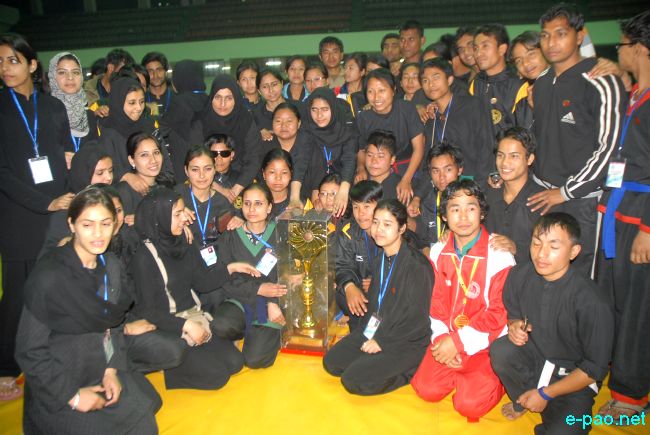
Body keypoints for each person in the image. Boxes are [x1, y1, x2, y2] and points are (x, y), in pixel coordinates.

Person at [15, 187, 162, 433]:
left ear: (115, 224)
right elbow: (29, 351)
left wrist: (111, 369)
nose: (98, 234)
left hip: (99, 367)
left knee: (146, 421)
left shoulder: (111, 266)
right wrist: (72, 396)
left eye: (105, 224)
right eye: (87, 225)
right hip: (61, 380)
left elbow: (114, 325)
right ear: (71, 225)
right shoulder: (49, 276)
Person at [490, 213, 614, 434]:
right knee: (502, 350)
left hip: (572, 378)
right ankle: (523, 397)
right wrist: (514, 325)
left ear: (574, 252)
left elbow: (593, 369)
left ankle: (544, 401)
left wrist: (546, 394)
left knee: (567, 430)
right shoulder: (520, 275)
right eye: (536, 243)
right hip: (537, 359)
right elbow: (514, 313)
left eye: (553, 246)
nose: (541, 254)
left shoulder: (592, 301)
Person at [0, 33, 75, 399]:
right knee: (18, 293)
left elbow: (65, 156)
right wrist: (45, 203)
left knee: (55, 286)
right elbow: (2, 173)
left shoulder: (52, 107)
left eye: (12, 60)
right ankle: (5, 367)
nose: (5, 68)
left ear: (31, 64)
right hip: (18, 214)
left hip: (57, 210)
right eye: (0, 62)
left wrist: (65, 203)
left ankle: (52, 353)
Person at [529, 3, 626, 278]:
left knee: (580, 279)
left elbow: (609, 149)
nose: (551, 43)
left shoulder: (601, 80)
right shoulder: (542, 82)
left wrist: (565, 192)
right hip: (542, 194)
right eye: (545, 36)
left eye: (561, 34)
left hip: (582, 200)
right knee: (544, 272)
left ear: (579, 36)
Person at [129, 186, 256, 389]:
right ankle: (169, 367)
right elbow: (149, 312)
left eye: (183, 211)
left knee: (235, 362)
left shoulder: (183, 241)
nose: (184, 219)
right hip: (168, 326)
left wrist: (230, 268)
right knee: (217, 377)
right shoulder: (144, 256)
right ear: (158, 218)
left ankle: (190, 356)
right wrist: (185, 326)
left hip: (192, 315)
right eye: (177, 214)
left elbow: (202, 281)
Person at [411, 179, 515, 421]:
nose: (464, 216)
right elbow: (435, 304)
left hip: (485, 345)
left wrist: (458, 343)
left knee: (468, 405)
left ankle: (499, 380)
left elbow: (498, 315)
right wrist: (442, 340)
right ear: (444, 216)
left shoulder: (500, 256)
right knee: (426, 389)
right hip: (447, 337)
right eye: (455, 209)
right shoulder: (438, 251)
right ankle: (456, 370)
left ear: (482, 213)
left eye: (471, 207)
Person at [597, 10, 650, 420]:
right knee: (614, 300)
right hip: (617, 211)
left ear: (641, 49)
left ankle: (632, 395)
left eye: (623, 45)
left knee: (637, 308)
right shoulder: (635, 95)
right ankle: (618, 365)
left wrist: (648, 229)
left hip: (640, 218)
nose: (619, 52)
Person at [324, 199, 433, 395]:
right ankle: (372, 360)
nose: (379, 229)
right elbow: (377, 304)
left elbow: (416, 320)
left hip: (405, 340)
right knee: (332, 362)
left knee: (352, 380)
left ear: (402, 228)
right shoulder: (380, 259)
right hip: (376, 329)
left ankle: (410, 371)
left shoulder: (417, 266)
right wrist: (366, 333)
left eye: (387, 224)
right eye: (375, 222)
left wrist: (381, 342)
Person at [212, 183, 287, 369]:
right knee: (221, 325)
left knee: (254, 359)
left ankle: (263, 331)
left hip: (267, 305)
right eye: (247, 203)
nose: (252, 209)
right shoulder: (230, 235)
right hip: (240, 299)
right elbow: (224, 277)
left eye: (258, 204)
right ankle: (246, 330)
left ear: (269, 207)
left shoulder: (281, 233)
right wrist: (258, 288)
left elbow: (288, 274)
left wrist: (274, 303)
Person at [355, 68, 425, 205]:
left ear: (393, 90)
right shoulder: (363, 118)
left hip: (408, 169)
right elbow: (361, 150)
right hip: (376, 170)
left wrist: (406, 180)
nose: (376, 97)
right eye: (371, 91)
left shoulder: (406, 109)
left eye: (382, 90)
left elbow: (419, 148)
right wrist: (361, 168)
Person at [190, 74, 263, 204]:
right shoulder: (200, 121)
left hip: (242, 181)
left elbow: (254, 158)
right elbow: (195, 160)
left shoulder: (246, 121)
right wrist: (218, 188)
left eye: (228, 98)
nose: (222, 104)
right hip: (205, 181)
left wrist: (235, 189)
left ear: (236, 99)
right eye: (218, 97)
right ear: (211, 98)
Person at [419, 58, 493, 182]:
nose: (430, 84)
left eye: (436, 78)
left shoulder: (472, 106)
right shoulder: (429, 117)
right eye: (425, 80)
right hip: (440, 183)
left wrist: (479, 184)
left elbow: (486, 147)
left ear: (449, 80)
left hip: (471, 181)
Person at [39, 144, 114, 259]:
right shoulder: (67, 212)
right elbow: (46, 261)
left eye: (110, 171)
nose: (108, 177)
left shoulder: (114, 200)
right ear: (82, 174)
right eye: (100, 173)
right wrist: (66, 247)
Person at [98, 77, 174, 190]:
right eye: (132, 103)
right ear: (118, 103)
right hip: (123, 194)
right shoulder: (107, 133)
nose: (138, 108)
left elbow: (166, 165)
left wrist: (160, 189)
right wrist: (124, 176)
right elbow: (102, 171)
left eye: (142, 102)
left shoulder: (150, 127)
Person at [485, 127, 544, 264]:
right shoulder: (489, 194)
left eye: (514, 156)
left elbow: (551, 251)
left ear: (530, 159)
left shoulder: (542, 202)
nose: (505, 163)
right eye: (500, 155)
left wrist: (516, 248)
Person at [470, 24, 531, 141]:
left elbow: (525, 136)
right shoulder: (476, 84)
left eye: (485, 46)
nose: (478, 54)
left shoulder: (519, 86)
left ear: (502, 49)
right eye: (476, 48)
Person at [335, 180, 383, 332]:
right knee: (340, 290)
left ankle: (368, 332)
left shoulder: (391, 230)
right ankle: (360, 331)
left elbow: (401, 268)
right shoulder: (348, 231)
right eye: (356, 207)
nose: (361, 213)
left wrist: (379, 281)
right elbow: (342, 265)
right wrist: (349, 286)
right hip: (361, 292)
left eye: (367, 207)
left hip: (386, 294)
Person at [304, 87, 356, 216]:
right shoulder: (308, 129)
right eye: (314, 110)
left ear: (333, 108)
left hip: (345, 183)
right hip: (318, 188)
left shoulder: (347, 128)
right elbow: (311, 164)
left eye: (325, 109)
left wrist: (343, 191)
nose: (319, 115)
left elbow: (349, 159)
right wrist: (317, 195)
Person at [174, 145, 233, 254]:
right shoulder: (175, 195)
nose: (202, 175)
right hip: (181, 258)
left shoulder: (222, 203)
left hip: (214, 260)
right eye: (195, 169)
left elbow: (226, 242)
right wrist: (175, 214)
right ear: (186, 171)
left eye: (208, 169)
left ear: (214, 170)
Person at [159, 59, 208, 182]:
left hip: (184, 165)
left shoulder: (178, 102)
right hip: (206, 165)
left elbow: (161, 130)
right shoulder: (210, 100)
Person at [409, 142, 464, 251]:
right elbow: (422, 239)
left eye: (448, 169)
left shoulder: (471, 200)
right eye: (436, 171)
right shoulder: (426, 203)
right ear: (429, 173)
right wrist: (425, 249)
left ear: (460, 169)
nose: (442, 177)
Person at [47, 52, 99, 152]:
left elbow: (95, 151)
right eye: (62, 72)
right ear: (52, 76)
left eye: (75, 72)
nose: (70, 77)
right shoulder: (44, 114)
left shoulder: (89, 116)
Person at [262, 103, 312, 204]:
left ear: (299, 123)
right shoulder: (264, 144)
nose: (283, 126)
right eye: (278, 121)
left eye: (289, 121)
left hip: (306, 202)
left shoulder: (309, 143)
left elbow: (316, 179)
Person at [115, 132, 165, 222]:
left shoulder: (166, 188)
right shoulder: (124, 191)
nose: (153, 160)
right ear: (132, 160)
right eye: (144, 155)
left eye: (156, 152)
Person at [84, 48, 134, 113]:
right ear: (111, 67)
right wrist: (95, 110)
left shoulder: (129, 90)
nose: (125, 74)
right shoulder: (87, 91)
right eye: (123, 70)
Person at [365, 130, 401, 201]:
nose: (374, 161)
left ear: (392, 160)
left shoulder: (400, 189)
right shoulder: (357, 181)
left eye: (380, 156)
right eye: (369, 155)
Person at [253, 68, 286, 141]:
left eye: (274, 84)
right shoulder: (254, 116)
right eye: (265, 87)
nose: (271, 90)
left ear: (282, 84)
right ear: (259, 91)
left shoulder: (300, 108)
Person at [261, 149, 294, 219]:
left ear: (291, 174)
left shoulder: (300, 204)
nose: (278, 178)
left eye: (284, 172)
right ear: (264, 174)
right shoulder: (252, 201)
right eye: (272, 172)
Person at [142, 51, 173, 119]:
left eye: (159, 70)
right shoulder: (141, 100)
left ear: (165, 71)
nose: (155, 75)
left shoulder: (177, 97)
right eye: (150, 71)